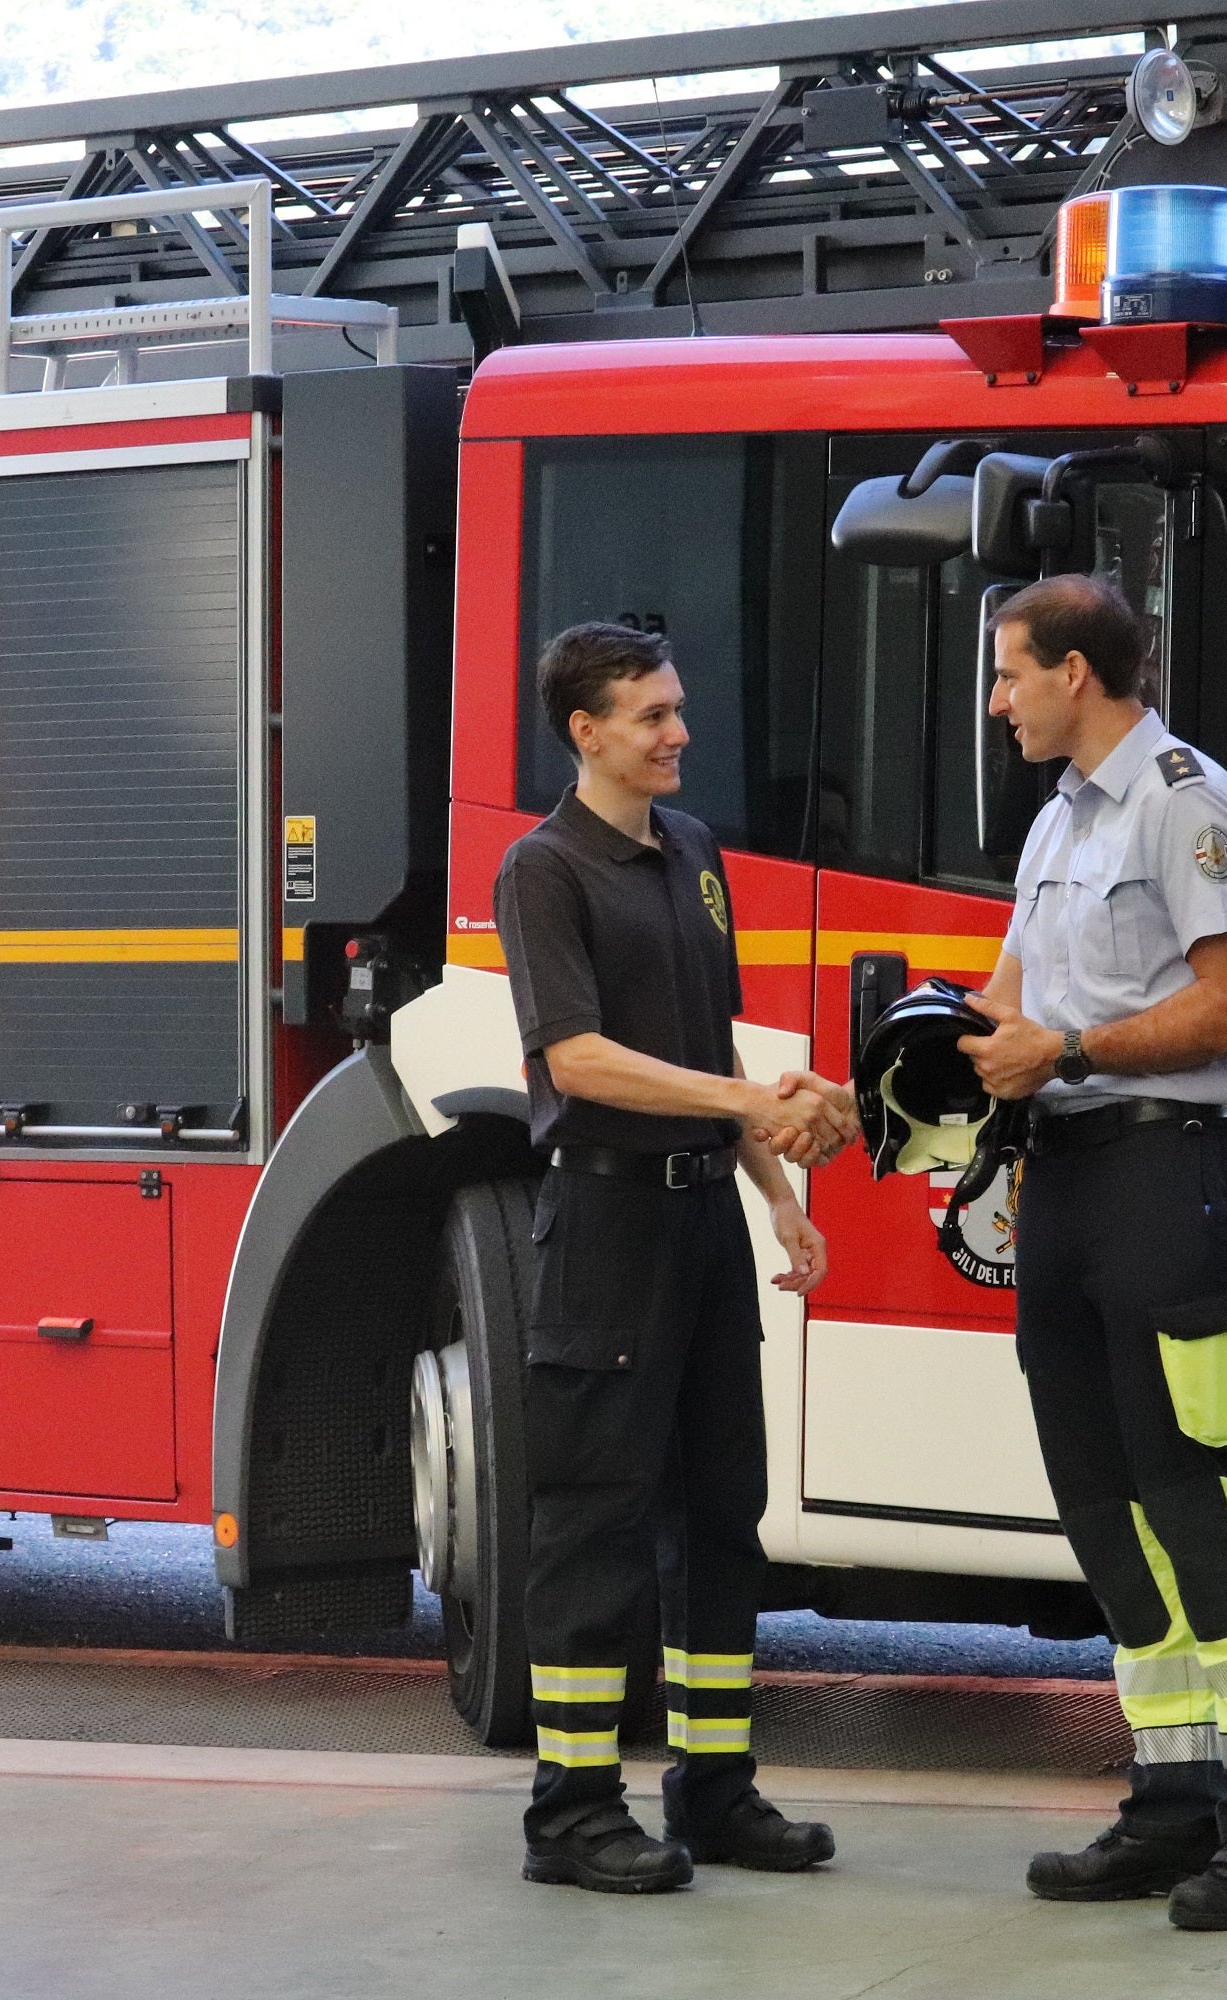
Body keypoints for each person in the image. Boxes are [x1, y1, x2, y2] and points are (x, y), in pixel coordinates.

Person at [955, 572, 1227, 1933]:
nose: (998, 700)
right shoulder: (1060, 820)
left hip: (1168, 1182)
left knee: (1196, 1497)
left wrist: (1063, 1048)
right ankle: (1172, 1806)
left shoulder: (1189, 804)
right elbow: (1012, 997)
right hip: (1068, 1186)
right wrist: (894, 1079)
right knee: (1106, 1507)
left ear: (1078, 674)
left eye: (1011, 673)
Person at [493, 620, 861, 1894]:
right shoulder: (542, 869)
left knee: (721, 1512)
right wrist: (745, 1106)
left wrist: (774, 1191)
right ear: (585, 731)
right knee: (593, 1521)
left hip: (702, 1217)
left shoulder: (695, 852)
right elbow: (577, 1058)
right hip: (606, 1228)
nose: (677, 732)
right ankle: (573, 1809)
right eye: (651, 715)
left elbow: (711, 1046)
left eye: (677, 708)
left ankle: (714, 1786)